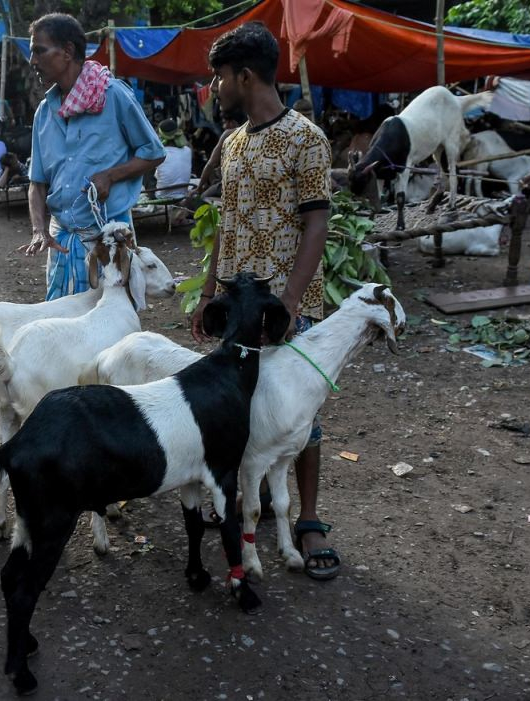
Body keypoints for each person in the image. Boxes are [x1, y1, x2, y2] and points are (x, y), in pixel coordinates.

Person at [189, 22, 337, 581]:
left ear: (243, 75)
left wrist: (292, 301)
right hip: (235, 303)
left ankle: (310, 519)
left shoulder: (306, 138)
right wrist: (207, 295)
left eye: (218, 78)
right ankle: (232, 495)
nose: (214, 88)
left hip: (283, 304)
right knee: (233, 403)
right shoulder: (232, 142)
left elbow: (316, 222)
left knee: (299, 416)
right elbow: (224, 227)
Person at [19, 13, 165, 300]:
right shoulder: (44, 112)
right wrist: (39, 230)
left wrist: (112, 175)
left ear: (68, 51)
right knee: (61, 327)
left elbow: (153, 153)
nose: (32, 60)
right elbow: (37, 183)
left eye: (39, 50)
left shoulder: (114, 96)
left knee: (111, 333)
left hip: (110, 239)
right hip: (62, 240)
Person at [153, 118, 192, 199]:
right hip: (183, 195)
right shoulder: (188, 150)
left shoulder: (159, 153)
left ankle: (151, 198)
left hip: (162, 197)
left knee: (145, 167)